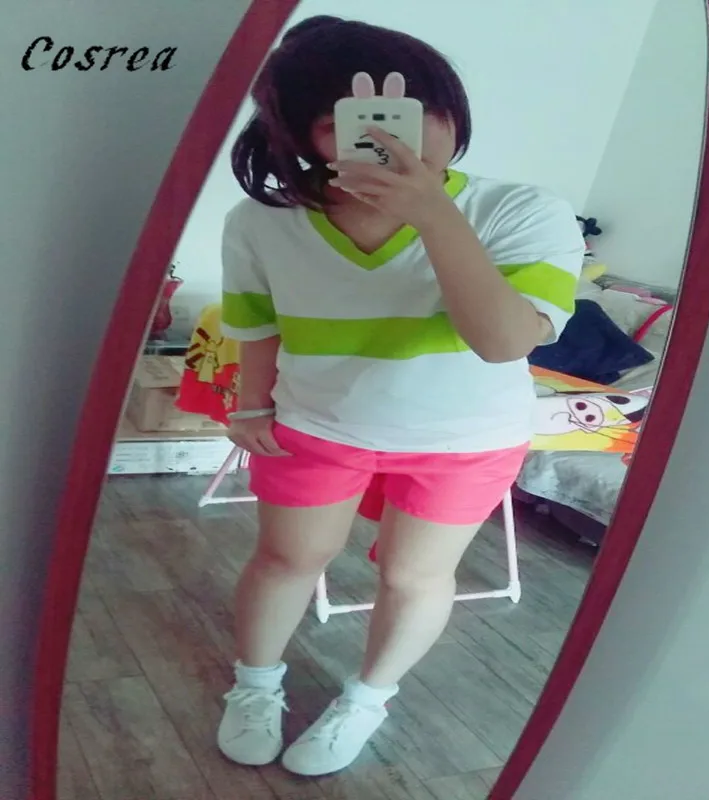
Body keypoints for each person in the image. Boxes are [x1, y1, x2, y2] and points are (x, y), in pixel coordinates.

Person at [217, 15, 584, 777]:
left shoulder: (523, 211)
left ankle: (368, 698)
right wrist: (250, 405)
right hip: (315, 424)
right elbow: (256, 322)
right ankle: (254, 686)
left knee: (414, 577)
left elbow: (504, 341)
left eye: (416, 111)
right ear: (305, 136)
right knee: (286, 558)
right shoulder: (262, 221)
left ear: (452, 112)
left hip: (466, 439)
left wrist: (432, 212)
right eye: (347, 120)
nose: (395, 137)